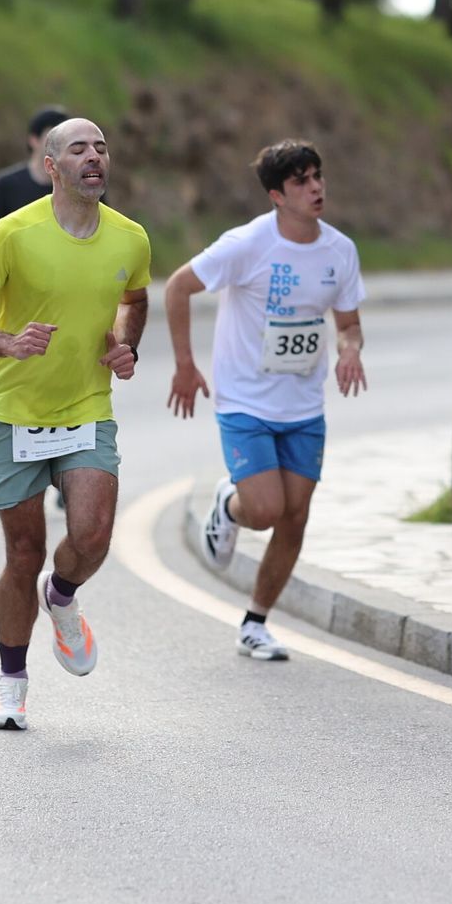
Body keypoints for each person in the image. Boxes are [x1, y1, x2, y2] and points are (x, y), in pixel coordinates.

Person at [0, 117, 150, 731]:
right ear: (52, 166)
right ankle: (10, 685)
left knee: (92, 537)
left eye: (102, 148)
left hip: (87, 407)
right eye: (79, 149)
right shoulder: (14, 232)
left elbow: (135, 301)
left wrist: (125, 346)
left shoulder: (130, 238)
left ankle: (61, 597)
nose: (95, 157)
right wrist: (9, 345)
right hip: (14, 414)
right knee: (23, 552)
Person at [166, 139, 368, 661]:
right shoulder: (246, 245)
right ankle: (229, 507)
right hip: (244, 400)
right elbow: (176, 287)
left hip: (303, 406)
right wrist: (185, 365)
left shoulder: (339, 251)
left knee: (295, 516)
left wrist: (350, 351)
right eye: (301, 181)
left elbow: (348, 324)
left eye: (318, 176)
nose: (316, 187)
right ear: (277, 194)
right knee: (264, 509)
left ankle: (256, 622)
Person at [0, 106, 70, 238]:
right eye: (53, 137)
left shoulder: (80, 185)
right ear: (34, 140)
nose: (60, 144)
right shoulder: (6, 184)